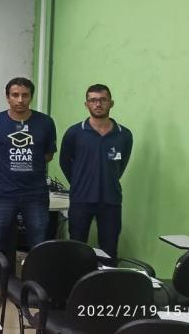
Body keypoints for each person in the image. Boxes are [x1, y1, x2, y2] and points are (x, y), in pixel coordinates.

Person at [0, 77, 57, 307]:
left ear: (31, 97)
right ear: (7, 97)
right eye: (15, 95)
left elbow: (47, 155)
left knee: (38, 240)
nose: (20, 100)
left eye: (25, 95)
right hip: (3, 192)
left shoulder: (45, 123)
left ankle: (35, 289)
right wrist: (5, 171)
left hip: (35, 193)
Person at [60, 84, 132, 261]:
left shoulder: (124, 135)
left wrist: (108, 180)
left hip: (111, 201)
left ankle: (106, 279)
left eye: (102, 100)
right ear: (86, 104)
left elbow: (121, 165)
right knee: (76, 249)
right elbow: (64, 163)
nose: (98, 104)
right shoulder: (74, 133)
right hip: (81, 199)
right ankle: (77, 279)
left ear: (111, 103)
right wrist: (79, 182)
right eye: (93, 100)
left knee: (109, 250)